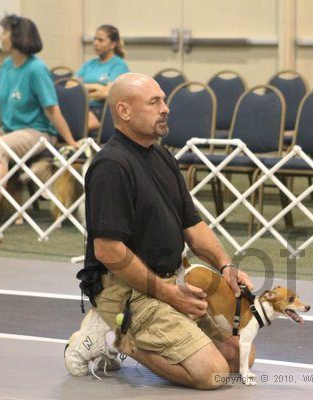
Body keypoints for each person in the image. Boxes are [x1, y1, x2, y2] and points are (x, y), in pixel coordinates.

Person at [65, 73, 255, 390]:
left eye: (164, 100)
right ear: (124, 111)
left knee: (240, 359)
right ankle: (117, 338)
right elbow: (108, 251)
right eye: (154, 102)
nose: (165, 108)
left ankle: (126, 332)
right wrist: (170, 295)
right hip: (127, 290)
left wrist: (226, 265)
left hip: (169, 281)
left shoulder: (162, 156)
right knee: (212, 374)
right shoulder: (111, 165)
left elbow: (192, 226)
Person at [0, 15, 79, 236]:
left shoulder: (37, 69)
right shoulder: (6, 66)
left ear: (17, 36)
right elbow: (1, 103)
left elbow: (52, 110)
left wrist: (70, 141)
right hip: (9, 131)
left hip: (38, 132)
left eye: (3, 33)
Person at [76, 25, 129, 132]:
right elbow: (70, 85)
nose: (95, 43)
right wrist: (96, 86)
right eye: (95, 39)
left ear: (113, 44)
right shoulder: (89, 64)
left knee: (74, 125)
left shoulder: (119, 65)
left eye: (100, 40)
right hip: (81, 107)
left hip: (102, 111)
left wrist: (81, 90)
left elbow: (106, 93)